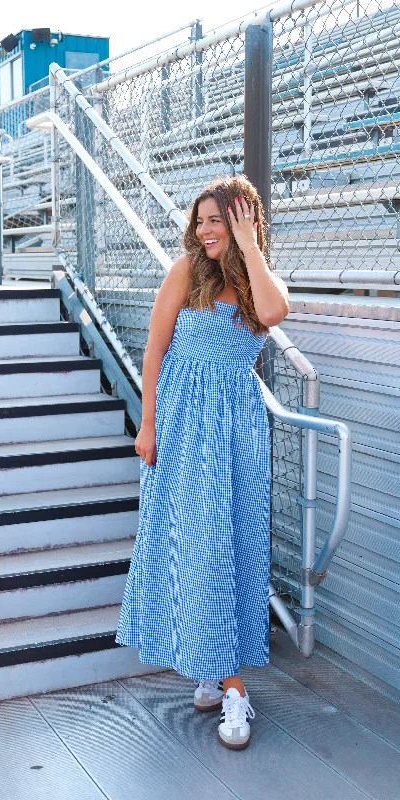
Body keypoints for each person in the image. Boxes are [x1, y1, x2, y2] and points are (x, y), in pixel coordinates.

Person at [115, 174, 289, 750]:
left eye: (221, 220)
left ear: (245, 221)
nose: (207, 230)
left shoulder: (254, 280)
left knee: (228, 551)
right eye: (204, 220)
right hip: (182, 430)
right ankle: (229, 683)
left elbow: (275, 310)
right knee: (195, 548)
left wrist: (250, 247)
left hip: (234, 435)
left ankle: (220, 676)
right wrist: (147, 423)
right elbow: (155, 349)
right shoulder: (184, 271)